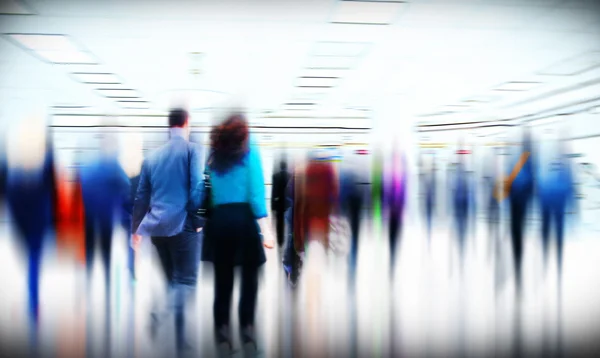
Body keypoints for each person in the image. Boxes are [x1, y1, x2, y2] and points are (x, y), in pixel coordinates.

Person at [200, 112, 275, 353]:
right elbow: (255, 192)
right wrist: (266, 230)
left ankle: (222, 332)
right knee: (250, 280)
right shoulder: (250, 147)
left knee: (223, 282)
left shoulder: (214, 149)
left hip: (220, 222)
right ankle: (247, 330)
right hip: (243, 220)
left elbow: (207, 187)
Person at [132, 108, 204, 353]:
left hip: (157, 230)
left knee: (175, 284)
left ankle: (180, 340)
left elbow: (141, 196)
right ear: (186, 123)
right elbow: (196, 187)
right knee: (186, 282)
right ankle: (159, 312)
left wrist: (136, 230)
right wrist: (195, 217)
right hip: (182, 225)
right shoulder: (193, 150)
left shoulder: (152, 158)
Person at [5, 117, 57, 349]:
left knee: (30, 255)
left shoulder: (13, 166)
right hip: (37, 216)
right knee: (34, 257)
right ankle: (33, 303)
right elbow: (52, 183)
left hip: (20, 216)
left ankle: (32, 300)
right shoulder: (42, 163)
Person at [507, 127, 535, 295]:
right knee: (518, 230)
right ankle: (517, 258)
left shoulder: (522, 160)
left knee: (517, 230)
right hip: (519, 200)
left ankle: (517, 259)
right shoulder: (527, 160)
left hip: (518, 200)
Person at [383, 148, 407, 279]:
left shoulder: (400, 177)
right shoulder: (390, 176)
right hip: (393, 211)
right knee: (392, 234)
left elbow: (403, 195)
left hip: (396, 211)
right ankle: (392, 257)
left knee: (395, 234)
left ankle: (394, 256)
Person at [272, 159, 290, 247]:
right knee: (288, 221)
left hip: (279, 203)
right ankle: (288, 239)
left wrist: (273, 205)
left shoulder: (275, 176)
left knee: (279, 222)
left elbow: (274, 191)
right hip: (288, 203)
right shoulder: (290, 176)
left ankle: (280, 240)